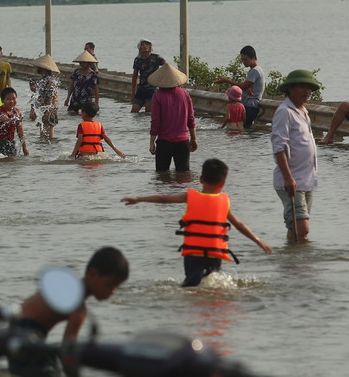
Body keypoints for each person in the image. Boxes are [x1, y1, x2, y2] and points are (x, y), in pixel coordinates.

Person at [121, 158, 272, 287]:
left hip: (193, 253)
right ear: (223, 183)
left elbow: (164, 199)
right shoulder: (224, 202)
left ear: (201, 179)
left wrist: (139, 199)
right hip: (214, 253)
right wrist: (258, 241)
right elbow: (239, 225)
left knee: (191, 285)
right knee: (213, 284)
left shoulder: (189, 196)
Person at [8, 247, 129, 377]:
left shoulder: (66, 285)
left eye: (116, 287)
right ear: (92, 274)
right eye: (110, 284)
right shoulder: (78, 308)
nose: (112, 292)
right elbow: (68, 352)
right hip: (28, 336)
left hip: (13, 333)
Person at [272, 69, 321, 243]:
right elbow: (279, 147)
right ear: (290, 88)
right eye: (302, 87)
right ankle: (298, 258)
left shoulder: (303, 111)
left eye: (309, 88)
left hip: (307, 180)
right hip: (292, 181)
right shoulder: (284, 112)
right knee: (303, 229)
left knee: (296, 229)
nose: (307, 92)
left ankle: (292, 257)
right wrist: (288, 178)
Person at [148, 63, 197, 172]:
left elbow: (155, 122)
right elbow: (191, 119)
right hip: (183, 141)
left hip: (164, 142)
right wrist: (193, 138)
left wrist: (152, 142)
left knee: (162, 176)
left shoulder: (157, 96)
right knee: (183, 176)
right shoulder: (184, 94)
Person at [214, 45, 265, 128]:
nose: (243, 62)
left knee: (241, 129)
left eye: (245, 59)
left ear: (253, 58)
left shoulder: (255, 71)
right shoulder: (255, 70)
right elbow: (245, 86)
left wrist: (226, 80)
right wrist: (246, 88)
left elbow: (244, 86)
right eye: (242, 60)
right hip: (248, 106)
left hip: (250, 107)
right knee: (240, 130)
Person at [29, 54, 60, 139]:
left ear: (43, 68)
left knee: (49, 134)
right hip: (43, 108)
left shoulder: (50, 81)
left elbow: (51, 95)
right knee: (43, 134)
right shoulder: (43, 79)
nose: (36, 69)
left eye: (38, 67)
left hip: (49, 108)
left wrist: (48, 111)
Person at [131, 38, 165, 113]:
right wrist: (133, 93)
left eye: (146, 44)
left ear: (150, 47)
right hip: (141, 89)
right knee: (134, 112)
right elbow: (135, 76)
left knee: (148, 113)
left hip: (152, 89)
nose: (144, 46)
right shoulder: (138, 60)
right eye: (142, 45)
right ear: (140, 48)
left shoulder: (156, 58)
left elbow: (167, 66)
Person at [0, 87, 29, 157]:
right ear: (2, 100)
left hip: (11, 142)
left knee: (12, 161)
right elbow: (5, 119)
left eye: (14, 98)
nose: (12, 101)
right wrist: (13, 119)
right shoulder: (0, 110)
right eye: (8, 99)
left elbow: (20, 131)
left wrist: (24, 147)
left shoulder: (17, 112)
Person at [65, 50, 99, 115]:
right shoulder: (76, 72)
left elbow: (96, 90)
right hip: (75, 98)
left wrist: (96, 103)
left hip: (86, 100)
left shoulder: (93, 75)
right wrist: (67, 98)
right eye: (80, 63)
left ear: (88, 63)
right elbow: (71, 86)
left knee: (85, 115)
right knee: (71, 114)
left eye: (83, 63)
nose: (81, 64)